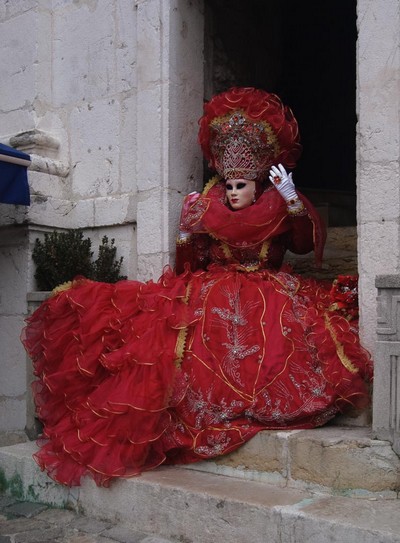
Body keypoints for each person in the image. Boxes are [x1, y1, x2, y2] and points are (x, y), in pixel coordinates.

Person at [22, 87, 372, 488]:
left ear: (259, 185)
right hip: (213, 287)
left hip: (270, 289)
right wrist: (188, 232)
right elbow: (190, 266)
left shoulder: (280, 206)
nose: (234, 192)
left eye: (242, 185)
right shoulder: (208, 207)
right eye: (229, 185)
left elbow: (303, 245)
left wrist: (293, 202)